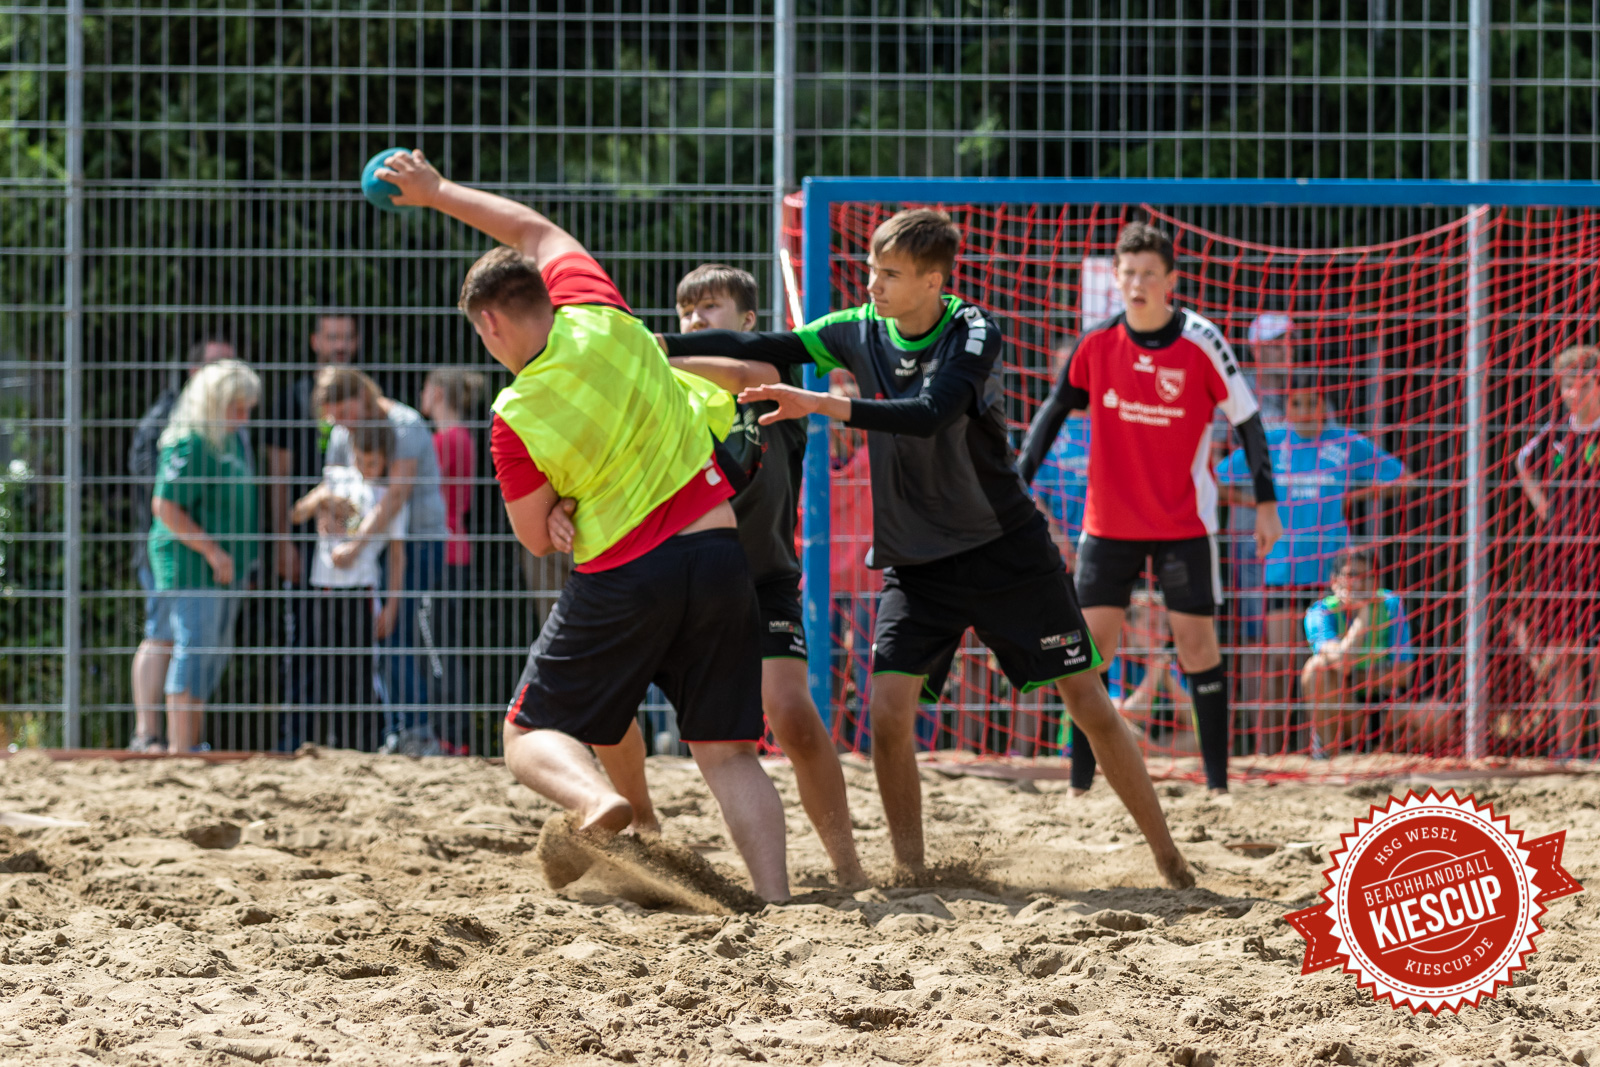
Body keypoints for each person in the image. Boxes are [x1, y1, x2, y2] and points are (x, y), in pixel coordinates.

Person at [662, 208, 1193, 888]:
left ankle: (1168, 856)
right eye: (872, 271)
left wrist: (820, 404)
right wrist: (653, 343)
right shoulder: (856, 328)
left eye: (890, 274)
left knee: (1087, 701)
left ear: (933, 281)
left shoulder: (972, 330)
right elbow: (765, 341)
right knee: (887, 712)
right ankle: (911, 870)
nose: (874, 286)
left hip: (1004, 548)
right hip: (915, 564)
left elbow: (929, 414)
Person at [377, 148, 791, 900]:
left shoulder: (515, 415)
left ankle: (597, 802)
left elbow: (536, 537)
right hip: (718, 548)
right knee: (728, 753)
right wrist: (437, 192)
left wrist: (562, 504)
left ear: (492, 322)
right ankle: (777, 900)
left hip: (626, 572)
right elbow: (532, 228)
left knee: (529, 732)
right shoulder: (602, 312)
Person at [603, 263, 864, 885]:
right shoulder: (660, 396)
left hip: (763, 576)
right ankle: (643, 821)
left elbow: (750, 372)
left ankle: (848, 865)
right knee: (606, 706)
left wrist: (660, 354)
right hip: (674, 575)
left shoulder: (774, 382)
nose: (694, 321)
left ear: (748, 323)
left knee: (793, 717)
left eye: (710, 310)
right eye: (686, 312)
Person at [1018, 221, 1282, 798]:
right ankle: (1080, 786)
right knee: (1091, 651)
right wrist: (1018, 484)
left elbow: (1249, 421)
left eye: (1149, 274)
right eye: (1128, 273)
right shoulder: (1095, 344)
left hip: (1183, 525)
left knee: (1197, 649)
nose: (1137, 284)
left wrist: (1266, 503)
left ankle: (1217, 785)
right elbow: (1052, 413)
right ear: (1115, 277)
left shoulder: (1201, 340)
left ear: (1171, 281)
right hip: (1107, 525)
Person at [1217, 373, 1408, 754]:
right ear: (1286, 407)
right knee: (1278, 668)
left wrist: (1353, 497)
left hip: (1332, 580)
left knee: (1326, 666)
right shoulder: (1268, 443)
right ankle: (1267, 755)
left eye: (1313, 403)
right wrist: (1259, 506)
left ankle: (1322, 750)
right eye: (1297, 403)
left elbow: (1401, 478)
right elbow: (1215, 478)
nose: (1304, 411)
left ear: (1325, 407)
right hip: (1283, 573)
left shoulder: (1346, 443)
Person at [315, 366, 451, 756]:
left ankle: (417, 730)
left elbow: (395, 497)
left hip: (416, 544)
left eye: (343, 412)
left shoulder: (405, 425)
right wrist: (329, 520)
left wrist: (355, 545)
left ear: (360, 396)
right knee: (379, 635)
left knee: (399, 631)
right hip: (372, 548)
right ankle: (397, 730)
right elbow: (335, 488)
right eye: (333, 417)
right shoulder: (344, 433)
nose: (338, 424)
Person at [133, 360, 260, 753]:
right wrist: (213, 551)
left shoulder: (229, 439)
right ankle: (179, 748)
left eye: (247, 409)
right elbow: (165, 507)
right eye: (236, 408)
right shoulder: (190, 442)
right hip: (194, 565)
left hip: (223, 566)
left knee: (210, 654)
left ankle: (187, 744)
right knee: (192, 648)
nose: (243, 417)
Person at [263, 313, 361, 748]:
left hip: (358, 545)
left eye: (346, 336)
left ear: (355, 343)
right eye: (331, 336)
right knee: (302, 642)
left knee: (355, 645)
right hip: (304, 542)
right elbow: (278, 475)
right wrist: (282, 540)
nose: (338, 344)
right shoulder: (291, 399)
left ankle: (356, 743)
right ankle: (294, 743)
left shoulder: (365, 398)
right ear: (314, 341)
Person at [290, 422, 408, 747]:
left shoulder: (390, 496)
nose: (366, 468)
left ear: (386, 460)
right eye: (361, 460)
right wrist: (321, 499)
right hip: (325, 590)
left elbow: (398, 556)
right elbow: (297, 513)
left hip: (362, 591)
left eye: (373, 463)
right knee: (327, 669)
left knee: (360, 671)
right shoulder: (335, 479)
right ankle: (333, 743)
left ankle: (364, 745)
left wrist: (393, 606)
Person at [1515, 343, 1600, 760]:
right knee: (1565, 655)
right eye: (1568, 386)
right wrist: (1547, 509)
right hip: (1564, 562)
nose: (1574, 393)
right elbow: (1521, 463)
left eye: (1583, 384)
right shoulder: (1552, 438)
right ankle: (1569, 753)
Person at [419, 367, 486, 752]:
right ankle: (453, 736)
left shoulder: (444, 441)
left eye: (427, 389)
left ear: (439, 393)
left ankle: (450, 737)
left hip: (441, 550)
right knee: (443, 645)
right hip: (455, 547)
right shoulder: (462, 438)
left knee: (435, 649)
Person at [1299, 546, 1416, 757]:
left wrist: (1351, 676)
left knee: (1436, 718)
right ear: (1335, 581)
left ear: (1376, 580)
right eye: (1352, 575)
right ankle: (1328, 754)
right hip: (1345, 706)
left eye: (1366, 576)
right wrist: (1364, 614)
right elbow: (1342, 663)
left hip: (1383, 706)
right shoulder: (1320, 612)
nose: (1359, 583)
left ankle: (1378, 754)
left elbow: (1405, 675)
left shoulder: (1390, 604)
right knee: (1316, 669)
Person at [1029, 343, 1092, 569]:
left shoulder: (1110, 425)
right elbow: (1035, 499)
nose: (1069, 376)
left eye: (1074, 367)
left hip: (1109, 552)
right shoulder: (1045, 431)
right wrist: (1065, 551)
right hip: (1061, 558)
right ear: (1053, 374)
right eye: (1062, 368)